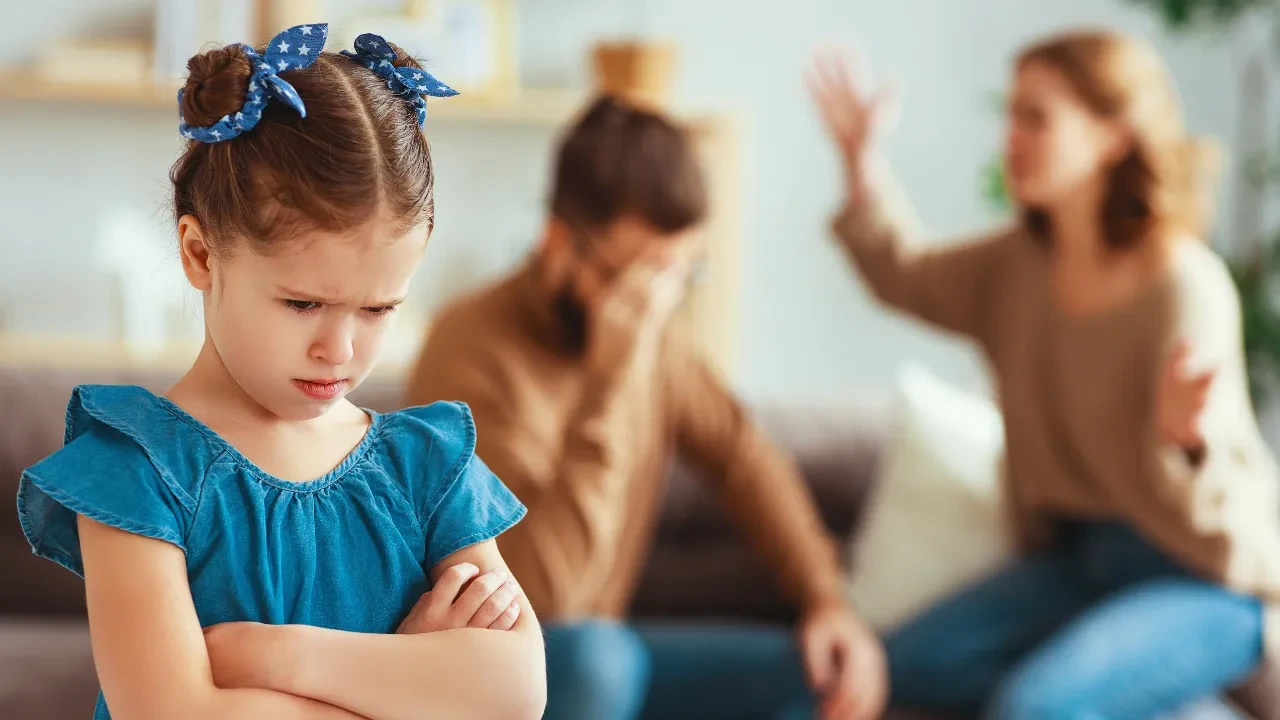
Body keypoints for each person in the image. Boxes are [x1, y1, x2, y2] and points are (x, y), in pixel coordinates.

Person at [15, 24, 545, 720]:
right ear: (201, 255)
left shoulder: (428, 468)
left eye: (379, 308)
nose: (340, 349)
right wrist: (410, 683)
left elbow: (516, 693)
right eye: (303, 303)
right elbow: (174, 713)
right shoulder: (137, 468)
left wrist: (275, 657)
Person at [808, 28, 1280, 719]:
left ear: (1114, 135)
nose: (1010, 137)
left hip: (1199, 576)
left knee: (1032, 708)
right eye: (1010, 113)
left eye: (1036, 116)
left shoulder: (1182, 285)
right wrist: (861, 161)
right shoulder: (1018, 266)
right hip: (1078, 563)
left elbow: (1218, 498)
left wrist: (1185, 441)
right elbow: (903, 273)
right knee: (896, 669)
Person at [405, 95, 888, 720]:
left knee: (822, 675)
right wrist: (608, 384)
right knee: (599, 659)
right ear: (557, 243)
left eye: (677, 276)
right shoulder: (470, 349)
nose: (656, 303)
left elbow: (746, 458)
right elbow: (547, 594)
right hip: (513, 658)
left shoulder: (655, 342)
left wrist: (828, 601)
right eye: (637, 276)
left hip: (611, 655)